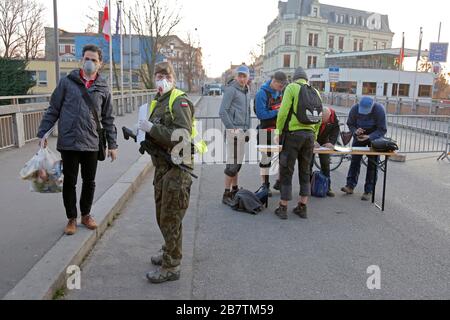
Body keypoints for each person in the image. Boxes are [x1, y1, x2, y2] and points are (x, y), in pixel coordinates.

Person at [37, 44, 118, 236]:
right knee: (69, 182)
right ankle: (71, 218)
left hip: (91, 142)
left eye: (94, 60)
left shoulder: (103, 87)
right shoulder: (67, 82)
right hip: (69, 141)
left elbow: (108, 118)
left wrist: (113, 145)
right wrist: (43, 133)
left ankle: (86, 215)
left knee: (89, 181)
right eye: (87, 59)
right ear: (81, 60)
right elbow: (53, 109)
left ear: (100, 64)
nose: (89, 63)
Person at [137, 61, 195, 284]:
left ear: (172, 78)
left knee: (170, 217)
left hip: (177, 168)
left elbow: (182, 135)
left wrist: (152, 129)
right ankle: (168, 250)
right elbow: (158, 134)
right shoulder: (158, 101)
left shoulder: (178, 100)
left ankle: (172, 265)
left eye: (165, 75)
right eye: (157, 74)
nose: (161, 78)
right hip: (163, 167)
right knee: (163, 215)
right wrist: (140, 134)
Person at [274, 67, 321, 220]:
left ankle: (283, 207)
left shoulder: (291, 88)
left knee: (287, 169)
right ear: (306, 79)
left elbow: (283, 112)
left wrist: (278, 131)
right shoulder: (316, 91)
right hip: (309, 136)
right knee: (305, 170)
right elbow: (318, 117)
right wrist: (314, 135)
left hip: (293, 135)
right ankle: (302, 206)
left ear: (294, 78)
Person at [341, 96, 387, 201]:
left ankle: (368, 190)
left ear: (372, 106)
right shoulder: (354, 109)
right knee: (355, 161)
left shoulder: (379, 110)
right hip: (359, 135)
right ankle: (350, 186)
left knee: (373, 163)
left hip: (374, 135)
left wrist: (370, 137)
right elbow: (350, 124)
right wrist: (355, 131)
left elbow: (382, 129)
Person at [219, 65, 251, 205]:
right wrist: (232, 129)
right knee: (232, 164)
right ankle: (226, 193)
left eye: (244, 76)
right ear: (236, 76)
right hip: (234, 132)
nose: (242, 79)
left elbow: (248, 112)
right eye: (240, 76)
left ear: (248, 77)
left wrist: (248, 129)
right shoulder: (231, 90)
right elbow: (222, 111)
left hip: (243, 132)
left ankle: (235, 189)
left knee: (238, 164)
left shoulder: (247, 91)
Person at [255, 71, 287, 196]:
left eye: (283, 87)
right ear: (274, 81)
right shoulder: (261, 94)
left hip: (279, 130)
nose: (281, 89)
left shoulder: (280, 91)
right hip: (265, 130)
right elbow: (261, 114)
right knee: (265, 160)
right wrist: (278, 112)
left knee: (282, 158)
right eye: (280, 86)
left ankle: (279, 181)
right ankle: (265, 185)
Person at [311, 107, 340, 197]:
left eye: (324, 121)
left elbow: (336, 130)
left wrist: (331, 143)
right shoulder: (314, 113)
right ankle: (309, 186)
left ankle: (327, 187)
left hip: (324, 140)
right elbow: (308, 128)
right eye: (321, 120)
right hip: (313, 139)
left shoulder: (333, 116)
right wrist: (312, 140)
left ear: (329, 116)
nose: (322, 122)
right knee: (308, 163)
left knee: (325, 163)